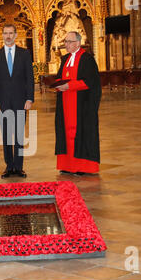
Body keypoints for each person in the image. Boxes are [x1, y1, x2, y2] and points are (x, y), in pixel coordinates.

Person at [0, 23, 34, 179]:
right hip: (2, 102)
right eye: (5, 33)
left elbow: (30, 78)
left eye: (10, 33)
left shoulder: (25, 54)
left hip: (21, 100)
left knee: (19, 135)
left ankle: (19, 167)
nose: (8, 36)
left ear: (15, 35)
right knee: (7, 135)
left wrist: (30, 98)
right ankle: (9, 166)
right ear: (2, 35)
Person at [54, 31, 101, 176]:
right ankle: (67, 165)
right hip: (65, 105)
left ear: (77, 43)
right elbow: (60, 76)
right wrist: (57, 84)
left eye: (68, 42)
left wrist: (70, 86)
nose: (66, 44)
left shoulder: (87, 59)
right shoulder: (65, 59)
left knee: (81, 133)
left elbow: (91, 82)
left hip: (81, 105)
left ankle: (83, 167)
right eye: (65, 42)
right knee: (65, 133)